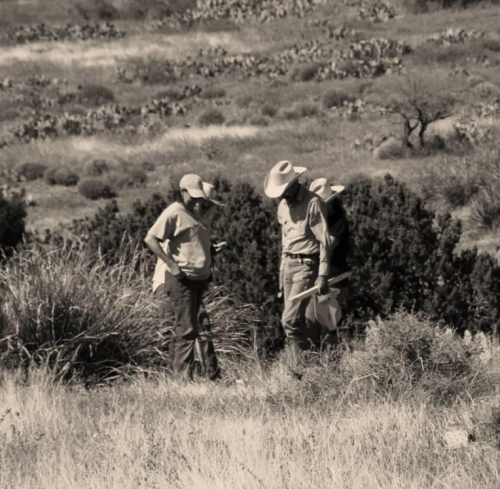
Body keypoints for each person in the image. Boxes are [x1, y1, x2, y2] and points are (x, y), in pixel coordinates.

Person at [145, 174, 216, 379]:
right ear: (182, 192)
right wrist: (171, 264)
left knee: (188, 328)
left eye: (198, 197)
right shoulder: (174, 212)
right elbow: (151, 239)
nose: (195, 200)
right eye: (191, 196)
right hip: (182, 280)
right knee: (185, 329)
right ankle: (181, 378)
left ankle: (180, 375)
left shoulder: (193, 214)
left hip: (197, 280)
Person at [264, 160, 332, 367]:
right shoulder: (283, 206)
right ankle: (314, 364)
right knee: (295, 321)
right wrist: (281, 273)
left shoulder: (313, 203)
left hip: (306, 266)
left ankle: (301, 369)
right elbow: (286, 242)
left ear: (294, 184)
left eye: (284, 190)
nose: (282, 196)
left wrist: (322, 275)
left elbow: (325, 241)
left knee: (290, 320)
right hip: (288, 267)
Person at [309, 178, 350, 346]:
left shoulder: (338, 224)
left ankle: (332, 366)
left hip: (334, 279)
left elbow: (327, 246)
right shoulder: (320, 224)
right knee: (312, 324)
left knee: (327, 325)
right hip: (319, 279)